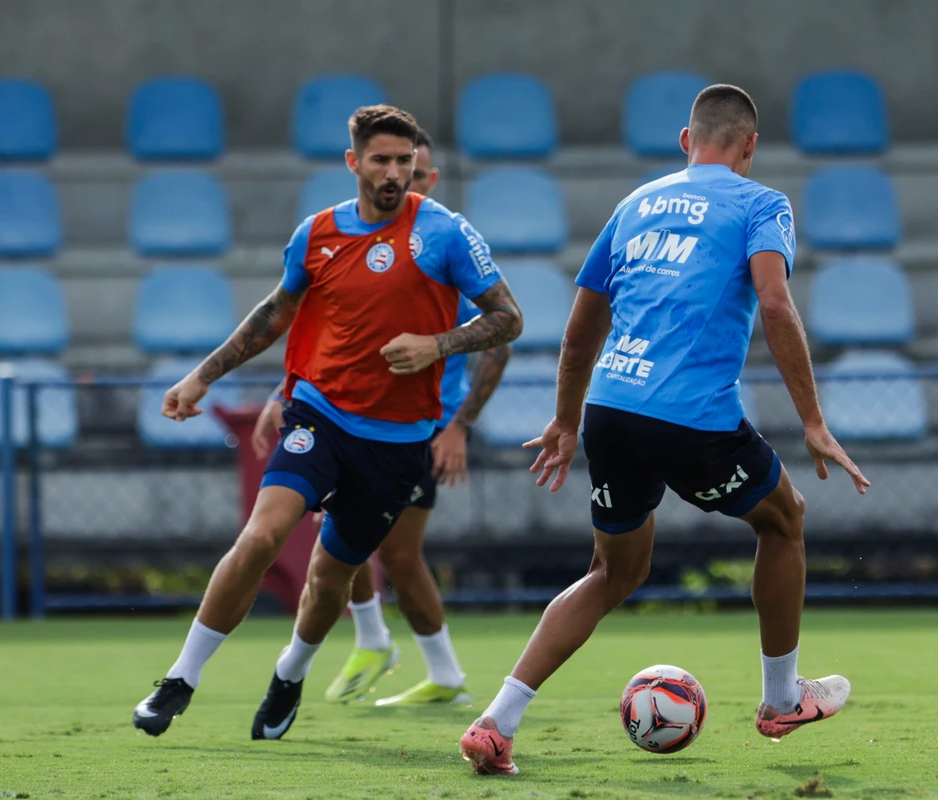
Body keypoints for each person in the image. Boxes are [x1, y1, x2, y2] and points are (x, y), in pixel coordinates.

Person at [458, 84, 870, 776]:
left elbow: (580, 329)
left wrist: (565, 420)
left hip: (611, 408)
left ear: (687, 142)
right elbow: (774, 301)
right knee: (784, 521)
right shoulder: (761, 203)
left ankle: (496, 724)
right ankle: (780, 701)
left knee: (612, 572)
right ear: (749, 146)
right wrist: (814, 422)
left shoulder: (634, 205)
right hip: (692, 416)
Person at [131, 105, 523, 741]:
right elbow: (275, 312)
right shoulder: (315, 234)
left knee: (330, 578)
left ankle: (291, 670)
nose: (395, 172)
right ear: (354, 163)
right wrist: (203, 376)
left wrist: (438, 344)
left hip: (398, 443)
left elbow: (509, 319)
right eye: (382, 160)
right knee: (260, 537)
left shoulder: (447, 232)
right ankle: (180, 679)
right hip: (320, 416)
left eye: (404, 161)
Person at [251, 130, 512, 708]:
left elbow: (498, 339)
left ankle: (414, 659)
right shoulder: (361, 234)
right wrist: (285, 390)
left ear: (429, 178)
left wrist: (460, 425)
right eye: (387, 168)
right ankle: (385, 644)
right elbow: (342, 336)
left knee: (393, 552)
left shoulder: (446, 240)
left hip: (420, 426)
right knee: (355, 540)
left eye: (411, 173)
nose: (398, 184)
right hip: (350, 415)